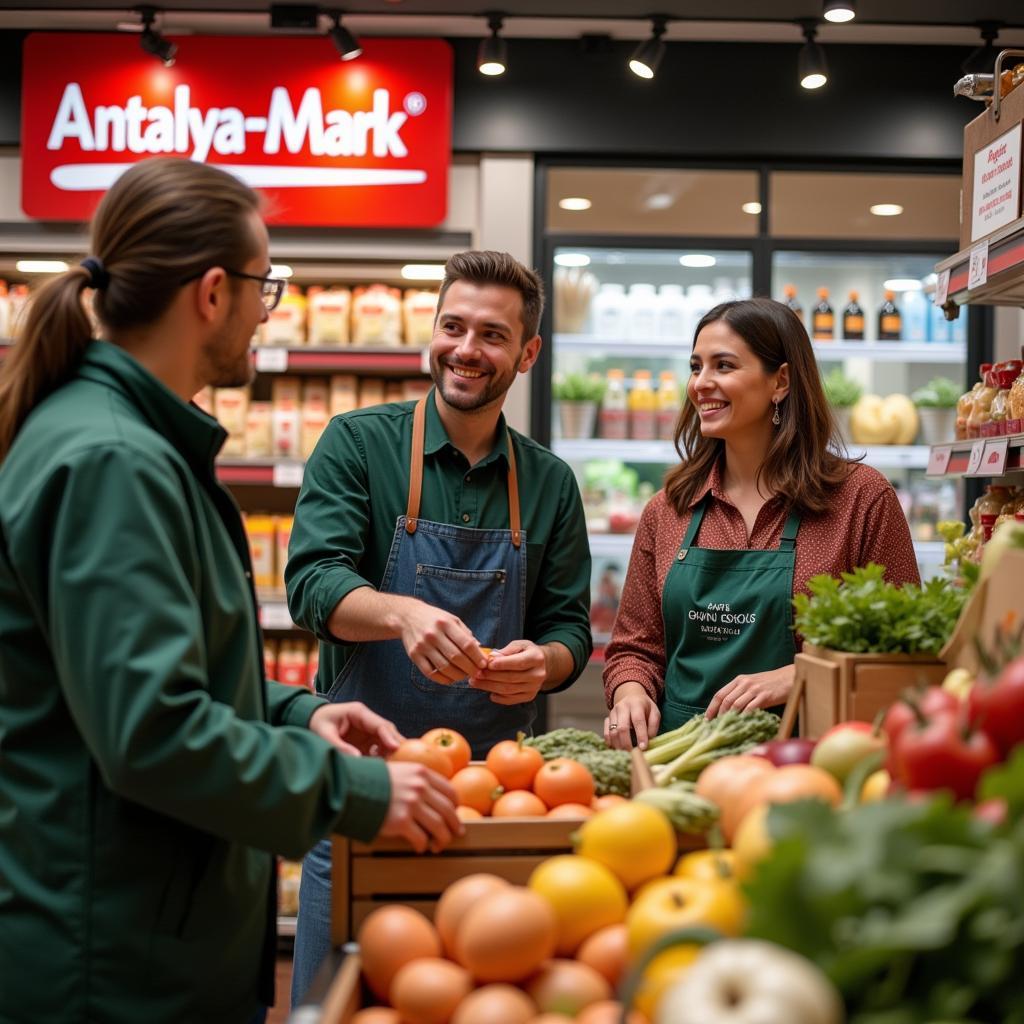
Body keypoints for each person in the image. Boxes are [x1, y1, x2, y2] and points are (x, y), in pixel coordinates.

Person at [0, 158, 461, 1024]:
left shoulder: (130, 441)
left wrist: (295, 715)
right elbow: (149, 733)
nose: (266, 309)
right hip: (108, 963)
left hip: (141, 929)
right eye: (265, 284)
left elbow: (159, 680)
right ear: (212, 293)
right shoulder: (112, 461)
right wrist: (354, 794)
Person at [285, 249, 593, 999]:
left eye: (491, 335)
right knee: (336, 1001)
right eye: (452, 326)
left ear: (527, 352)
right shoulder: (358, 443)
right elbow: (312, 585)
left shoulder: (548, 482)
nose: (465, 349)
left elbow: (570, 630)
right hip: (361, 783)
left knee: (475, 995)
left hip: (491, 800)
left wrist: (543, 663)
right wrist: (404, 613)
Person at [602, 297, 920, 750]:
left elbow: (900, 649)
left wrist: (801, 674)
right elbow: (636, 647)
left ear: (781, 381)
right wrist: (630, 692)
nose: (701, 384)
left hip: (809, 763)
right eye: (696, 367)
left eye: (724, 366)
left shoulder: (860, 499)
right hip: (679, 761)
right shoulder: (668, 509)